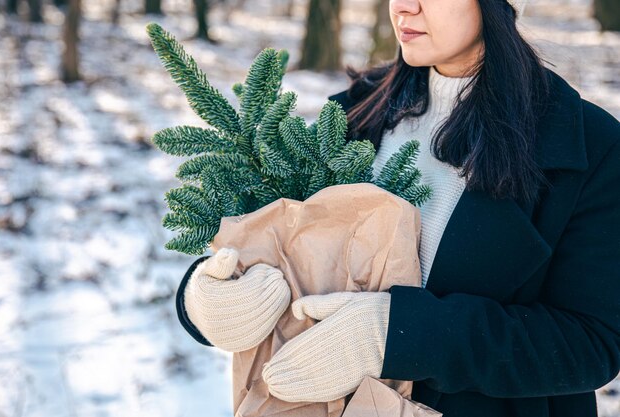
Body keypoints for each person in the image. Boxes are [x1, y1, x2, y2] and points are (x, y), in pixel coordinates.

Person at [175, 0, 620, 416]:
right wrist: (207, 299)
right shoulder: (353, 114)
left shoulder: (589, 148)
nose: (404, 5)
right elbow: (275, 235)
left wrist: (396, 335)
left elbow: (590, 344)